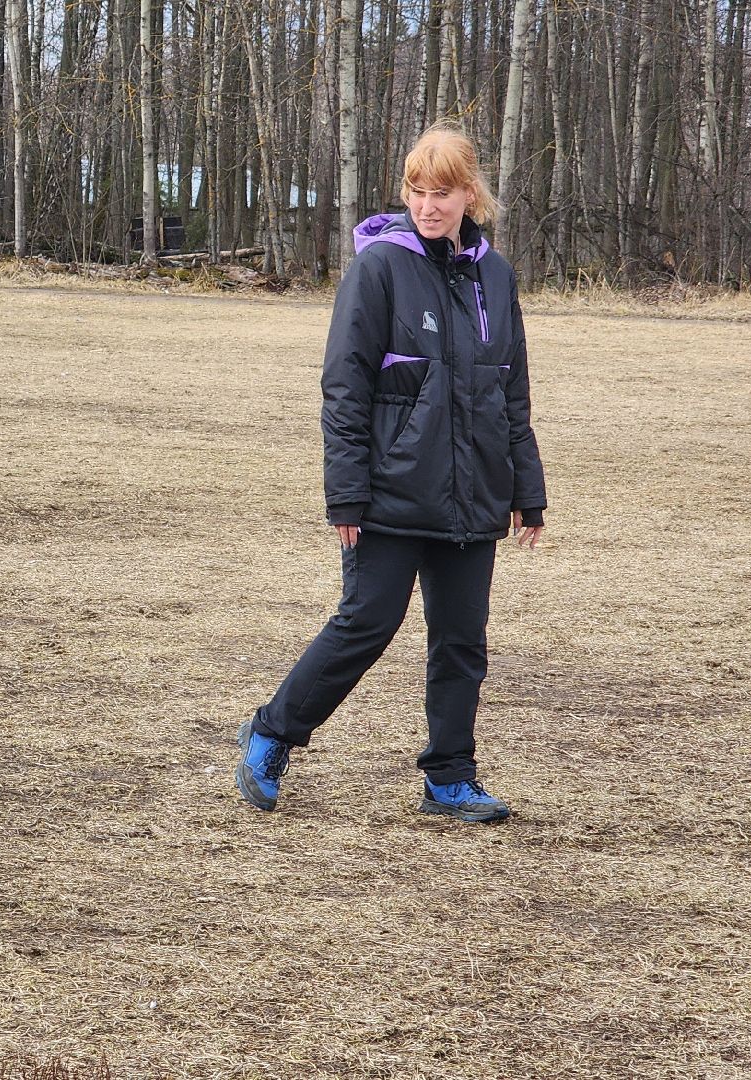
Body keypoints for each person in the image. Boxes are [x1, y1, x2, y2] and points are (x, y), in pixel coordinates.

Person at [235, 123, 546, 823]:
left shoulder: (496, 276)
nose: (428, 206)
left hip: (474, 495)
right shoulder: (377, 268)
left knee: (461, 642)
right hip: (389, 492)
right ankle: (272, 733)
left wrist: (526, 490)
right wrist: (346, 493)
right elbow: (344, 387)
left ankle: (450, 778)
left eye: (443, 193)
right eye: (417, 191)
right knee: (366, 623)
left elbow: (511, 389)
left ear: (470, 196)